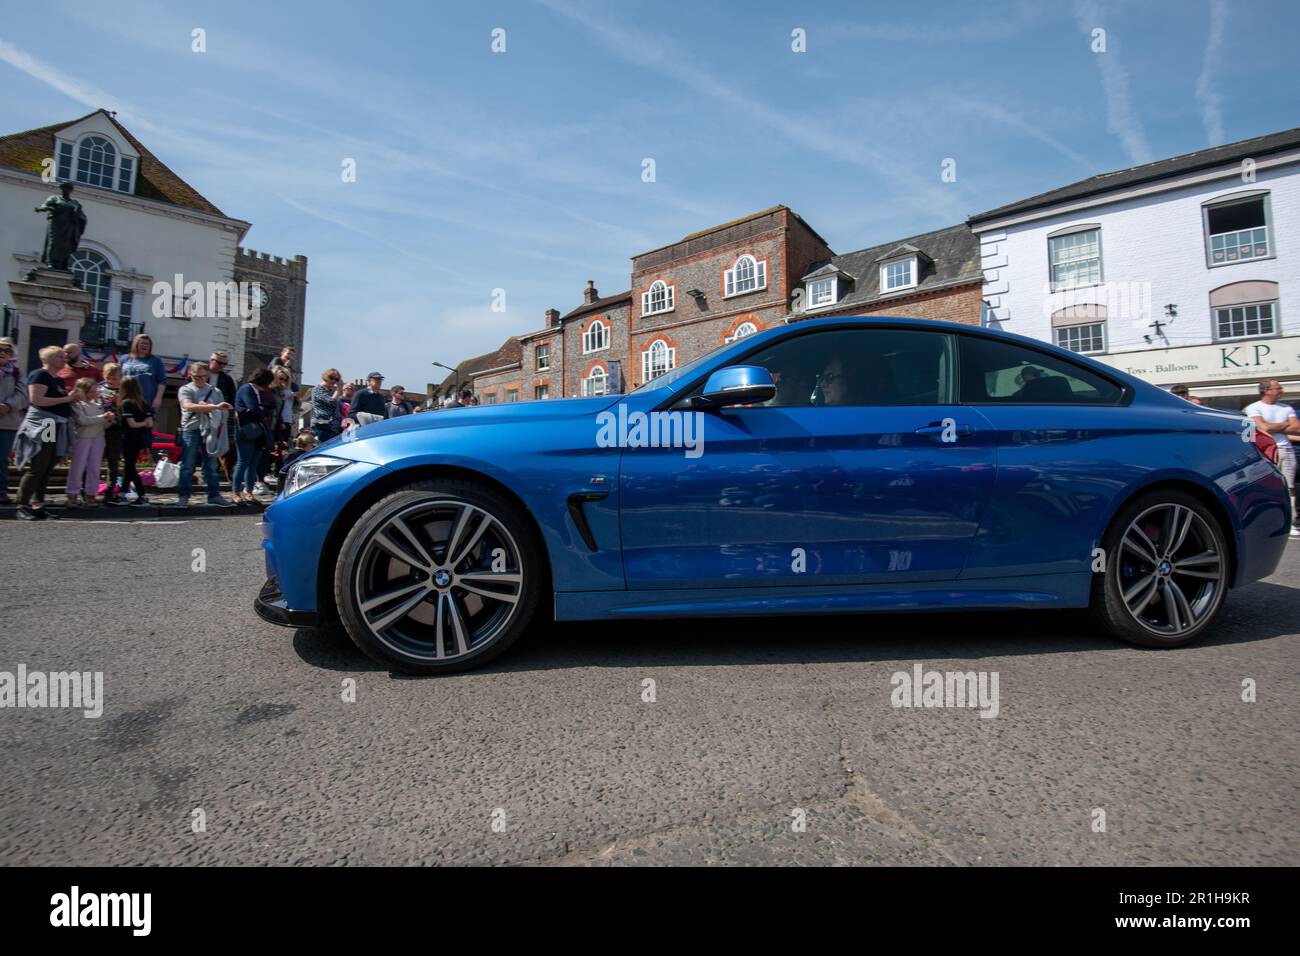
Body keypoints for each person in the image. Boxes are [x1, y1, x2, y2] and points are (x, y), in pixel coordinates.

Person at [13, 345, 76, 520]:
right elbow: (36, 400)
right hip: (45, 423)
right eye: (59, 357)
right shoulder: (40, 375)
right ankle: (22, 505)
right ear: (47, 359)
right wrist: (66, 398)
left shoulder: (58, 379)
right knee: (39, 465)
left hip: (55, 423)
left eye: (64, 357)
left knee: (47, 465)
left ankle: (37, 504)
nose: (64, 359)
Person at [1244, 380, 1300, 538]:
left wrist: (1272, 425)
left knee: (1289, 488)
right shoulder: (1254, 407)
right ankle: (1266, 522)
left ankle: (1290, 522)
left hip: (1286, 451)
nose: (1281, 390)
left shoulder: (1286, 408)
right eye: (1278, 388)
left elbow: (1297, 428)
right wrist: (1284, 425)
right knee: (1266, 487)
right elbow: (1263, 428)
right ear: (1266, 391)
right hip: (1265, 451)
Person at [176, 362, 235, 508]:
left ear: (208, 375)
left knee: (211, 464)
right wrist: (212, 406)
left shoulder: (215, 391)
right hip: (191, 429)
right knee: (188, 464)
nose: (200, 380)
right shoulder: (186, 389)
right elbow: (187, 405)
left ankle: (214, 495)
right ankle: (184, 496)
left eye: (203, 376)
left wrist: (217, 413)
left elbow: (223, 411)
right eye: (196, 377)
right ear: (191, 375)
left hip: (210, 429)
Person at [65, 378, 115, 507]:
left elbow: (102, 425)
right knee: (77, 466)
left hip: (98, 437)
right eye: (91, 391)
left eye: (95, 391)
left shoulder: (98, 406)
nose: (94, 394)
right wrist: (102, 418)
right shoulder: (76, 405)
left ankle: (91, 494)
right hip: (83, 437)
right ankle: (72, 494)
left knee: (94, 467)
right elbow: (83, 421)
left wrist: (108, 420)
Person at [234, 368, 276, 505]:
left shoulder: (260, 392)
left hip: (259, 432)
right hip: (247, 431)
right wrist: (262, 409)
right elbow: (254, 408)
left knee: (253, 464)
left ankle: (249, 492)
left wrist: (262, 409)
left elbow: (268, 408)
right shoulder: (247, 389)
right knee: (243, 462)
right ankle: (236, 492)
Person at [120, 334, 167, 449]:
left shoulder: (155, 361)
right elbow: (118, 378)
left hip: (145, 401)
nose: (145, 346)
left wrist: (158, 398)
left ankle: (143, 456)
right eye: (142, 343)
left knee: (143, 432)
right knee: (125, 430)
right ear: (136, 344)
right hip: (126, 401)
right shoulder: (125, 359)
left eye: (148, 344)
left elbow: (162, 381)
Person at [0, 337, 29, 505]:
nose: (3, 353)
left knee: (2, 458)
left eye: (7, 350)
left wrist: (8, 405)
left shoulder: (17, 373)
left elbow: (23, 395)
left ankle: (1, 491)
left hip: (8, 421)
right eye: (1, 350)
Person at [117, 376, 153, 507]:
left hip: (128, 437)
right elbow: (150, 423)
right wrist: (144, 423)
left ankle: (142, 495)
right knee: (129, 466)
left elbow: (131, 424)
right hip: (140, 438)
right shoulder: (143, 403)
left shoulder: (126, 403)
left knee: (130, 467)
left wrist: (140, 423)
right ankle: (122, 493)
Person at [208, 351, 238, 481]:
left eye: (224, 364)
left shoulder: (226, 379)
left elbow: (233, 398)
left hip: (219, 416)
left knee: (219, 445)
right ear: (211, 360)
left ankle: (219, 472)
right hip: (201, 414)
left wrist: (229, 413)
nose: (222, 366)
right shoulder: (201, 373)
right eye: (219, 363)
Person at [98, 363, 124, 505]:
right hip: (99, 428)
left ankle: (110, 490)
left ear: (120, 378)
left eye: (114, 378)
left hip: (116, 429)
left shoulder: (123, 391)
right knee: (95, 460)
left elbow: (126, 411)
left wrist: (118, 403)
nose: (111, 381)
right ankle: (89, 490)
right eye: (109, 378)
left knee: (113, 462)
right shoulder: (99, 389)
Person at [310, 368, 345, 443]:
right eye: (331, 378)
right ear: (326, 377)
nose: (333, 381)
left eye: (336, 379)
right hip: (322, 425)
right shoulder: (318, 389)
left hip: (333, 427)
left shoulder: (332, 391)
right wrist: (339, 389)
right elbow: (331, 402)